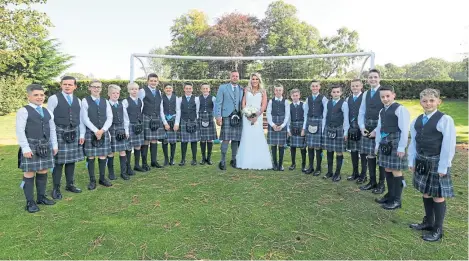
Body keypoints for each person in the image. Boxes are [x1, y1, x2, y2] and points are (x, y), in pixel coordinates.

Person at [407, 88, 456, 242]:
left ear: (438, 102)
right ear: (420, 102)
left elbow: (449, 144)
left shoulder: (445, 120)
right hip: (422, 160)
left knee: (438, 195)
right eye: (424, 101)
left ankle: (438, 229)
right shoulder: (416, 120)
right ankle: (428, 222)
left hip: (437, 162)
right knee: (426, 192)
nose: (428, 103)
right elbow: (414, 143)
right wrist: (411, 160)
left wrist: (443, 166)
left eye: (431, 100)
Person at [17, 84, 58, 213]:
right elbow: (20, 130)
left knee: (43, 170)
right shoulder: (23, 111)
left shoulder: (47, 111)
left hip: (45, 145)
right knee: (29, 172)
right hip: (31, 145)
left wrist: (54, 145)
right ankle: (30, 202)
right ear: (28, 96)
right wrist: (25, 148)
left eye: (41, 95)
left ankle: (41, 197)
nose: (39, 97)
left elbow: (52, 129)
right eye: (36, 95)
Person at [373, 86, 410, 209]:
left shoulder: (400, 109)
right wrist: (377, 144)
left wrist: (401, 147)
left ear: (393, 95)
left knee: (396, 170)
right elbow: (379, 129)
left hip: (395, 142)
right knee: (387, 169)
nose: (385, 99)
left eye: (387, 96)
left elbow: (405, 130)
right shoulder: (382, 111)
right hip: (385, 143)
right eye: (382, 97)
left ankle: (397, 200)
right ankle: (390, 195)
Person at [47, 76, 85, 200]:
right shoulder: (54, 98)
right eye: (65, 84)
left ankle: (70, 184)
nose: (67, 86)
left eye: (70, 84)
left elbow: (80, 119)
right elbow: (49, 118)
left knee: (71, 161)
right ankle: (56, 188)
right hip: (59, 131)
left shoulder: (78, 100)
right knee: (58, 162)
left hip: (74, 131)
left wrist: (82, 134)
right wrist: (53, 142)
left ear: (75, 86)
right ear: (61, 85)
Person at [235, 73, 272, 170]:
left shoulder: (263, 91)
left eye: (256, 79)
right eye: (253, 79)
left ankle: (258, 161)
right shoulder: (246, 90)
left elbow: (264, 105)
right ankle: (246, 161)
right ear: (251, 80)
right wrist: (246, 113)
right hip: (246, 117)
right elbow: (243, 102)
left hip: (257, 117)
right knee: (247, 136)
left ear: (259, 80)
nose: (254, 81)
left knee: (257, 136)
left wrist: (257, 115)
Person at [358, 69, 386, 194]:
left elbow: (386, 113)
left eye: (375, 77)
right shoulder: (365, 94)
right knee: (370, 154)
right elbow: (362, 111)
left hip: (381, 126)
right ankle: (372, 181)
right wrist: (362, 127)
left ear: (379, 78)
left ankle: (381, 185)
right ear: (367, 79)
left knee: (380, 156)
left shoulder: (384, 92)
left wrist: (377, 130)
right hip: (367, 125)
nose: (373, 79)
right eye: (370, 77)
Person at [81, 80, 113, 189]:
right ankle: (92, 180)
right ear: (89, 88)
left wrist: (103, 130)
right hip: (91, 131)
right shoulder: (85, 101)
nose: (96, 89)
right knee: (91, 156)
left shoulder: (105, 101)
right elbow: (84, 118)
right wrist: (96, 130)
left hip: (103, 131)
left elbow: (110, 117)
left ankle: (102, 178)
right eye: (94, 87)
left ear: (101, 88)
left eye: (98, 87)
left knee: (103, 155)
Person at [215, 71, 244, 170]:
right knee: (226, 139)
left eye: (237, 76)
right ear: (230, 77)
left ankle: (234, 159)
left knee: (236, 139)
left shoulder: (241, 89)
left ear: (239, 77)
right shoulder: (223, 87)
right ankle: (222, 160)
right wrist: (218, 116)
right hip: (227, 116)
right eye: (233, 76)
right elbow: (218, 103)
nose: (235, 78)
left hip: (238, 117)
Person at [322, 86, 349, 182]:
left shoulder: (344, 104)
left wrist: (345, 132)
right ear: (331, 93)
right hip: (328, 128)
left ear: (341, 93)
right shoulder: (327, 103)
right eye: (334, 92)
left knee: (339, 151)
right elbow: (324, 117)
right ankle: (329, 172)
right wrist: (322, 130)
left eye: (338, 92)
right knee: (329, 151)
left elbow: (346, 119)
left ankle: (337, 173)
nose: (336, 93)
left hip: (339, 129)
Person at [138, 73, 165, 170]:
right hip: (146, 117)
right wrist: (139, 119)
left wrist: (163, 120)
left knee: (154, 140)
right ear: (148, 81)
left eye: (155, 81)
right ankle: (144, 163)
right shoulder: (142, 91)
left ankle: (154, 161)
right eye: (151, 80)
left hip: (156, 118)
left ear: (157, 82)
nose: (153, 82)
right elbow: (139, 105)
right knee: (146, 140)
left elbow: (160, 107)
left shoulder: (159, 92)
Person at [303, 80, 328, 175]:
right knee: (310, 145)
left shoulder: (323, 98)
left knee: (318, 147)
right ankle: (311, 167)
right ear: (310, 87)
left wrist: (323, 128)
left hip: (319, 122)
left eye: (316, 86)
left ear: (319, 87)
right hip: (309, 121)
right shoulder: (308, 99)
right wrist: (304, 127)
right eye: (313, 86)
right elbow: (305, 113)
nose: (314, 88)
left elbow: (325, 113)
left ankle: (318, 168)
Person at [345, 79, 368, 183]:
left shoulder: (365, 98)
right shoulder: (348, 99)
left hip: (362, 128)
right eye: (353, 86)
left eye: (357, 86)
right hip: (351, 128)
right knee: (353, 151)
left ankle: (363, 175)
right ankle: (355, 173)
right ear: (351, 87)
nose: (355, 88)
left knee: (363, 152)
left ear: (361, 86)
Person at [107, 84, 131, 181]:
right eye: (113, 93)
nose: (115, 95)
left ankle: (123, 172)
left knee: (122, 151)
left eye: (117, 93)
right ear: (109, 94)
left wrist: (126, 130)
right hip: (111, 129)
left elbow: (126, 118)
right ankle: (111, 173)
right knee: (110, 152)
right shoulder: (106, 104)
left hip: (121, 129)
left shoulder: (122, 104)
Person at [122, 82, 145, 173]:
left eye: (136, 89)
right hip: (130, 125)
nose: (134, 91)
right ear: (128, 90)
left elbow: (140, 111)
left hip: (138, 126)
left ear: (138, 90)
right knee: (128, 147)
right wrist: (126, 130)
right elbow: (125, 117)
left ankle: (137, 165)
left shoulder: (140, 101)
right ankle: (128, 167)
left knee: (138, 145)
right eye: (132, 89)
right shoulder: (125, 101)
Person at [266, 84, 290, 171]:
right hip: (273, 123)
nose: (278, 92)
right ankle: (274, 164)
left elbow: (287, 115)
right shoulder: (271, 101)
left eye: (280, 90)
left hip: (282, 123)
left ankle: (280, 164)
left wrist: (282, 125)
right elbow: (268, 113)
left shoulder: (286, 102)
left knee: (281, 144)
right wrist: (272, 125)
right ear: (274, 91)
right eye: (276, 90)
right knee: (273, 144)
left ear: (282, 91)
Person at [176, 82, 200, 166]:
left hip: (194, 120)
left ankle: (194, 159)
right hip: (184, 120)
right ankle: (183, 160)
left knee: (194, 141)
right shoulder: (179, 99)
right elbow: (178, 111)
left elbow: (197, 111)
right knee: (184, 141)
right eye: (187, 88)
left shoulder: (196, 99)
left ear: (192, 89)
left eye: (190, 88)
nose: (188, 90)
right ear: (184, 89)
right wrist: (177, 123)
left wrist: (195, 120)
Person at [287, 89, 307, 172]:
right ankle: (293, 164)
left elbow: (306, 117)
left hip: (301, 126)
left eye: (296, 95)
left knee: (303, 147)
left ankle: (303, 165)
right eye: (293, 96)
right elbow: (288, 119)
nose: (295, 97)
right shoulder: (289, 106)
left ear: (299, 96)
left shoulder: (304, 105)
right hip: (293, 126)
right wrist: (288, 130)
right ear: (291, 96)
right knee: (292, 147)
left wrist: (304, 129)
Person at [160, 84, 180, 166]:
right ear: (164, 90)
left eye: (170, 88)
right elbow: (161, 111)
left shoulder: (176, 98)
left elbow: (178, 111)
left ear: (172, 89)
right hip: (164, 120)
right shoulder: (161, 98)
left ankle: (172, 159)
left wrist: (176, 123)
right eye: (166, 88)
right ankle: (166, 159)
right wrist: (165, 123)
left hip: (173, 120)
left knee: (173, 141)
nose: (168, 89)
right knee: (164, 141)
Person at [198, 83, 217, 165]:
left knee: (209, 139)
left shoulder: (213, 98)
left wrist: (215, 117)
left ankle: (209, 158)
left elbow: (216, 109)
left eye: (207, 88)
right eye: (203, 88)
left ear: (209, 89)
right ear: (201, 90)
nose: (205, 90)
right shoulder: (198, 98)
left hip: (209, 118)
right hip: (201, 118)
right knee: (202, 139)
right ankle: (203, 158)